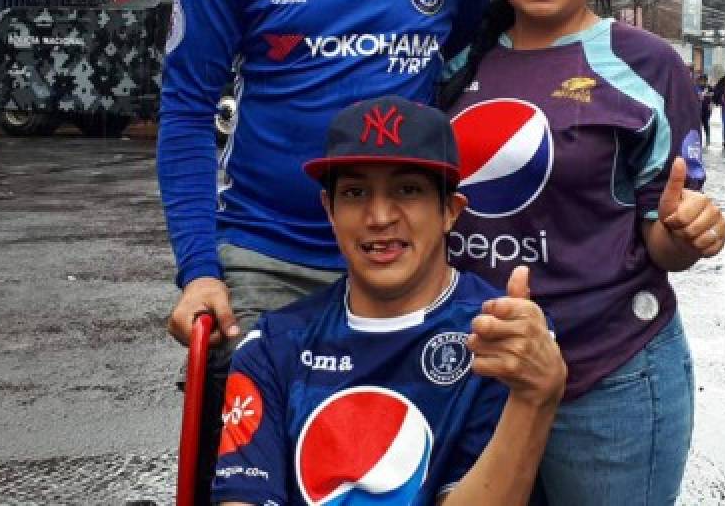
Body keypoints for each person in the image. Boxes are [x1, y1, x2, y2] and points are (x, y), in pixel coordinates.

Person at [156, 0, 485, 500]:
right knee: (250, 478)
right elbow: (186, 106)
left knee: (388, 475)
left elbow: (483, 82)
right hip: (265, 260)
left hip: (403, 262)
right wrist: (199, 271)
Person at [438, 0, 725, 504]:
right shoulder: (460, 60)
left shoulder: (645, 65)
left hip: (610, 376)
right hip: (476, 372)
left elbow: (663, 239)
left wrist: (690, 231)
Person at [212, 96, 566, 505]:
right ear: (329, 209)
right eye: (355, 192)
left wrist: (533, 398)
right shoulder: (272, 346)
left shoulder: (501, 335)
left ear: (450, 210)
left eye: (408, 189)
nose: (379, 216)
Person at [696, 72, 713, 145]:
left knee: (706, 123)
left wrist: (711, 104)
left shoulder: (709, 87)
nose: (702, 81)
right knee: (698, 124)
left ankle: (708, 137)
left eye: (704, 80)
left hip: (707, 108)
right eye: (701, 80)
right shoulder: (696, 87)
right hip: (698, 108)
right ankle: (698, 139)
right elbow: (696, 96)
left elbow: (713, 96)